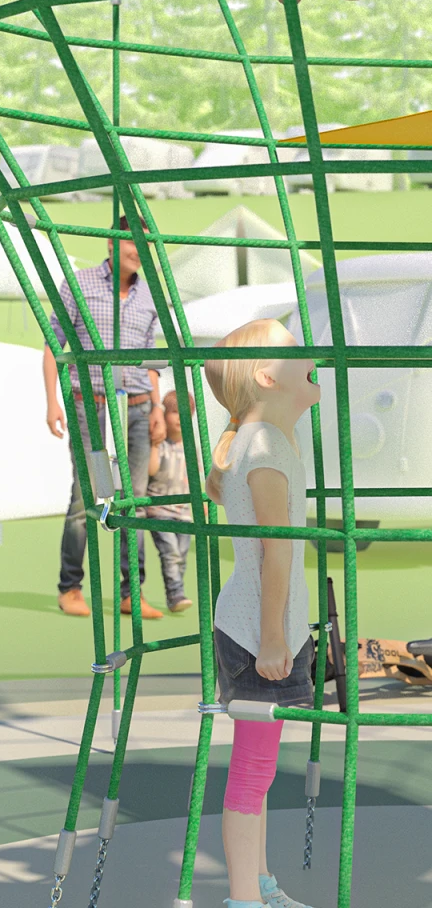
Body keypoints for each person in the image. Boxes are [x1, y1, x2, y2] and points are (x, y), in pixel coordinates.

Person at [203, 319, 320, 908]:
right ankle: (244, 900)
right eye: (291, 348)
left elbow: (247, 517)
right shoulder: (266, 447)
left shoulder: (259, 440)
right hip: (258, 631)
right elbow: (275, 549)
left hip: (259, 624)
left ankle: (260, 884)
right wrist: (274, 639)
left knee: (261, 768)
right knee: (252, 773)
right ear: (267, 376)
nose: (309, 355)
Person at [43, 216, 166, 619]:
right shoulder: (80, 284)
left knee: (137, 501)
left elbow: (150, 357)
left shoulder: (150, 295)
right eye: (131, 242)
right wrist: (52, 401)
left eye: (144, 245)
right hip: (90, 406)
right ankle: (70, 587)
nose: (137, 251)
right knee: (87, 495)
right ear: (111, 244)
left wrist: (158, 407)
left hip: (135, 408)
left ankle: (132, 592)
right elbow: (54, 343)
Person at [145, 389, 194, 614]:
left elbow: (193, 476)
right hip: (160, 508)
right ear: (164, 415)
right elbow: (151, 470)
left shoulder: (191, 448)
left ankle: (175, 591)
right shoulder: (160, 443)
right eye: (174, 412)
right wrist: (154, 444)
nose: (178, 418)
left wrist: (199, 502)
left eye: (184, 413)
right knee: (171, 552)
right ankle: (175, 594)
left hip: (184, 510)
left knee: (181, 554)